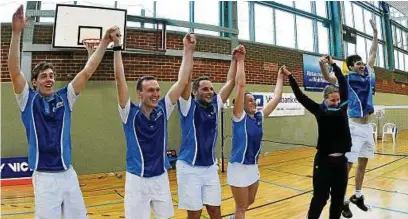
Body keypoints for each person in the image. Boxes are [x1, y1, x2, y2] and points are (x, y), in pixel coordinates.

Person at [8, 5, 118, 219]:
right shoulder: (27, 100)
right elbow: (13, 71)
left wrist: (105, 42)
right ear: (35, 82)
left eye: (51, 75)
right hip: (44, 178)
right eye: (44, 76)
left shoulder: (65, 97)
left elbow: (87, 72)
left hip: (68, 174)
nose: (49, 79)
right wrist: (16, 33)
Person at [112, 29, 196, 219]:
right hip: (137, 180)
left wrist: (188, 50)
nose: (156, 94)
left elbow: (182, 81)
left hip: (160, 177)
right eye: (150, 90)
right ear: (139, 93)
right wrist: (117, 47)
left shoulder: (163, 109)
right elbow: (119, 80)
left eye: (157, 90)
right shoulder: (129, 113)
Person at [281, 57, 351, 219]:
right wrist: (290, 76)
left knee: (338, 200)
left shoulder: (343, 107)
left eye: (338, 99)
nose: (336, 102)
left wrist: (333, 64)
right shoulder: (319, 110)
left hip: (341, 163)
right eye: (333, 100)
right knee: (320, 198)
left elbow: (342, 81)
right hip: (324, 162)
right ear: (325, 99)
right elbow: (300, 96)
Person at [321, 19, 378, 218]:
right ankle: (342, 199)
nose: (362, 65)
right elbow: (329, 78)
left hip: (367, 126)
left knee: (363, 162)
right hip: (353, 128)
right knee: (348, 165)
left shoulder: (368, 74)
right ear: (351, 67)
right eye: (358, 64)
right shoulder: (347, 79)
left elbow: (372, 53)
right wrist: (324, 65)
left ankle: (358, 195)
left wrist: (376, 33)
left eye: (362, 63)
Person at [176, 45, 241, 219]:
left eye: (212, 89)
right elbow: (185, 80)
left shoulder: (214, 104)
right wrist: (188, 51)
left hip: (210, 167)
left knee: (215, 211)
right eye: (205, 89)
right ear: (195, 91)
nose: (210, 92)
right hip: (189, 168)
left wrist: (234, 59)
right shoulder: (187, 106)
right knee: (195, 214)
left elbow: (231, 82)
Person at [227, 45, 284, 219]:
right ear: (241, 104)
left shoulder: (259, 117)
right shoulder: (239, 116)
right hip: (238, 166)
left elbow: (276, 98)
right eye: (249, 100)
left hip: (253, 165)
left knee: (248, 202)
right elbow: (241, 84)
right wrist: (241, 61)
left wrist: (280, 77)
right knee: (242, 208)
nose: (253, 102)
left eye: (254, 100)